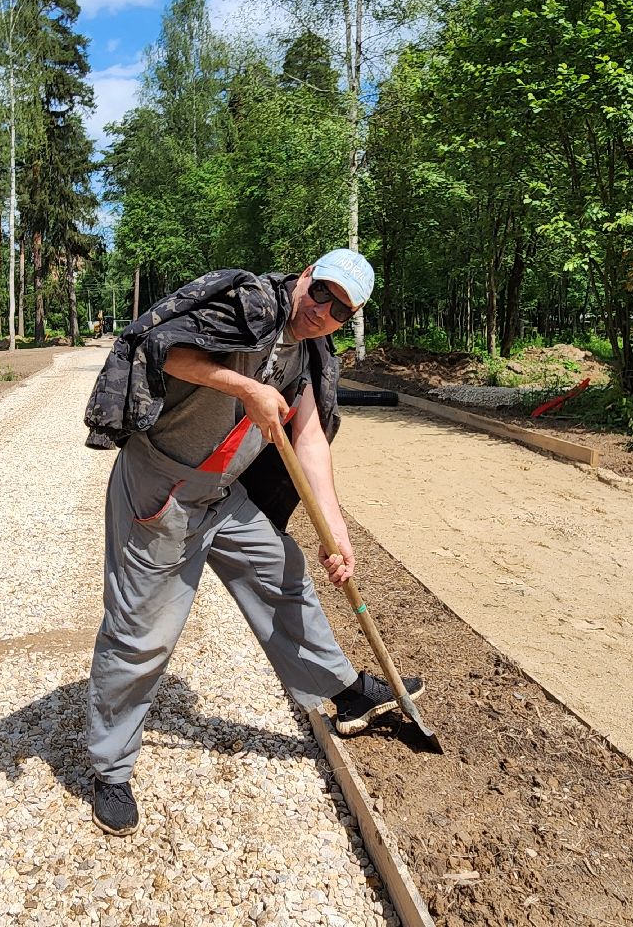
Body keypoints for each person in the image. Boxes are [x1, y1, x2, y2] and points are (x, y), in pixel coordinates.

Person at [81, 249, 424, 837]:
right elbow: (165, 346)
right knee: (143, 631)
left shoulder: (313, 354)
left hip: (222, 493)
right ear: (307, 275)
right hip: (162, 488)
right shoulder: (248, 304)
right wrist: (245, 387)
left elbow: (311, 440)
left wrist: (335, 535)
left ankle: (345, 692)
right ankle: (109, 768)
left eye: (342, 310)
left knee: (284, 576)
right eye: (322, 293)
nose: (324, 312)